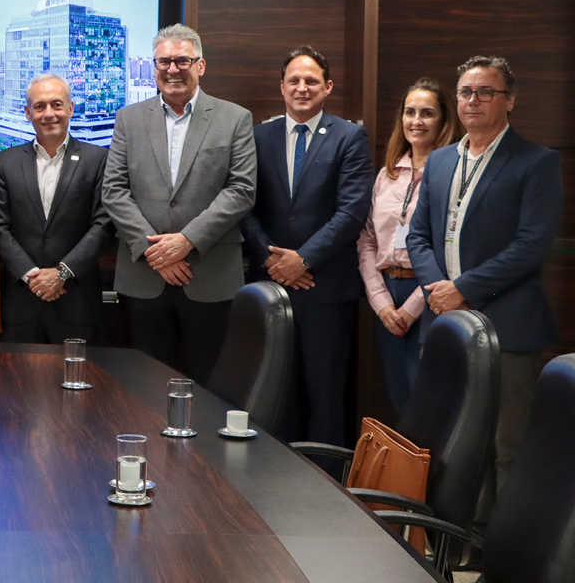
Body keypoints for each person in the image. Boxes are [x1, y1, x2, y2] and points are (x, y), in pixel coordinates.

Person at [406, 55, 562, 536]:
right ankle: (456, 536)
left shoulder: (537, 162)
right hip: (445, 323)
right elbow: (417, 236)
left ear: (509, 101)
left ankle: (509, 548)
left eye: (485, 92)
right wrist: (439, 290)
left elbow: (532, 245)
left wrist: (465, 289)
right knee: (454, 437)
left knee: (506, 443)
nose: (473, 100)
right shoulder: (442, 160)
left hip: (507, 325)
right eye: (466, 92)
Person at [103, 24, 256, 381]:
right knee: (145, 383)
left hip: (209, 274)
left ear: (200, 65)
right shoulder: (129, 119)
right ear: (153, 67)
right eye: (164, 62)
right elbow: (113, 189)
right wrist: (154, 251)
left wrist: (186, 242)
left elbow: (241, 190)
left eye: (182, 60)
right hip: (144, 275)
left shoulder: (235, 118)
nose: (173, 69)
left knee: (209, 384)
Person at [240, 45, 372, 450]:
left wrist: (304, 259)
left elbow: (352, 212)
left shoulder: (350, 136)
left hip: (325, 288)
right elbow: (243, 203)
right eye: (294, 81)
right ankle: (271, 484)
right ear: (281, 87)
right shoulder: (256, 135)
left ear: (327, 87)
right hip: (269, 285)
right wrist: (271, 258)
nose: (302, 88)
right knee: (273, 393)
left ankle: (325, 491)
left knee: (325, 395)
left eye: (311, 81)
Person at [357, 77, 459, 415]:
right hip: (388, 295)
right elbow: (368, 240)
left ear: (444, 121)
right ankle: (409, 470)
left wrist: (412, 308)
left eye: (427, 113)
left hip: (429, 295)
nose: (416, 121)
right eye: (409, 112)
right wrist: (382, 303)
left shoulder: (452, 173)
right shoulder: (388, 174)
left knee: (428, 400)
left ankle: (434, 470)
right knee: (399, 398)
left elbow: (449, 248)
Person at [0, 73, 114, 344]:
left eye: (57, 105)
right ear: (27, 112)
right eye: (40, 106)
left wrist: (61, 273)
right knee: (18, 383)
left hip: (76, 302)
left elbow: (104, 224)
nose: (49, 113)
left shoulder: (98, 160)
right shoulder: (5, 163)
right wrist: (33, 276)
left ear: (70, 108)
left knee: (77, 381)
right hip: (20, 302)